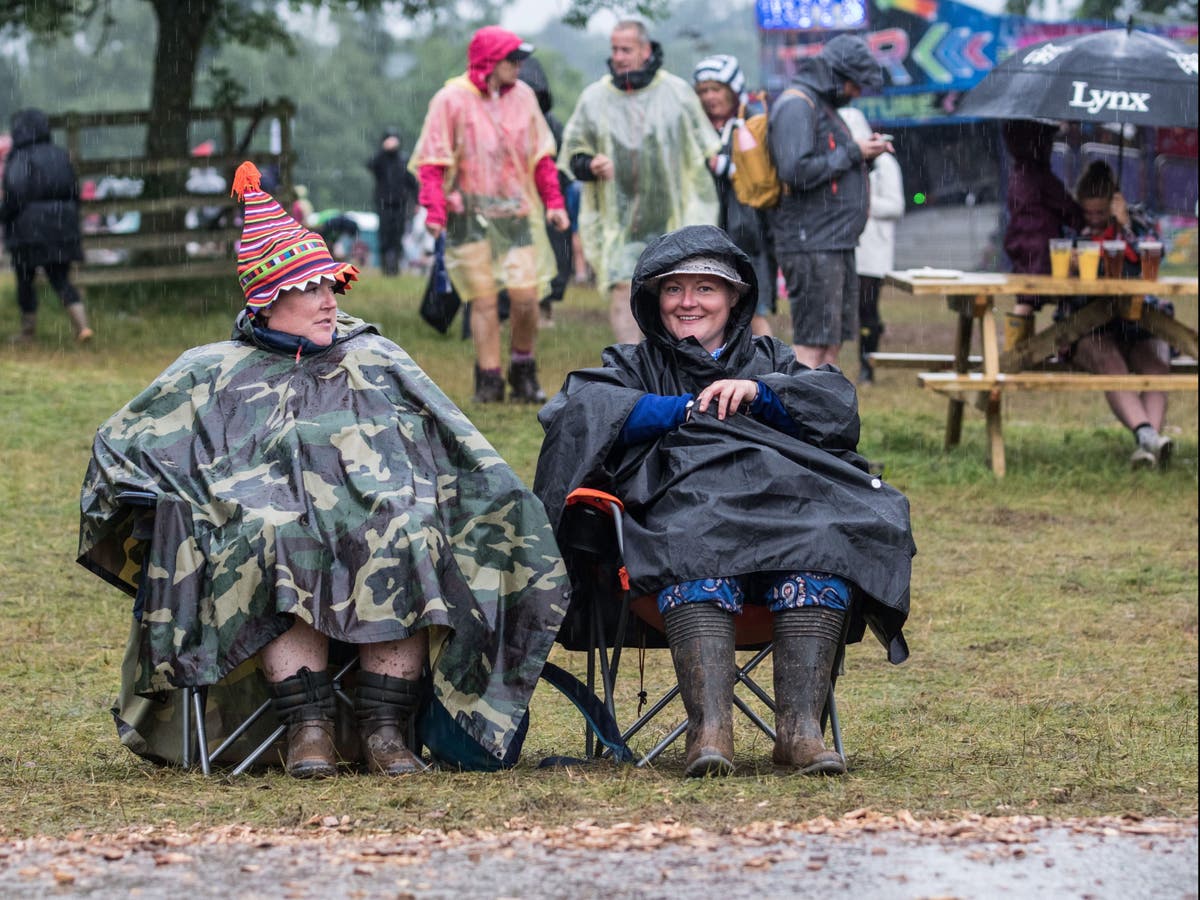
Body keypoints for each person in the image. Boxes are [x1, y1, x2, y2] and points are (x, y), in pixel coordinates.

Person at [78, 162, 568, 777]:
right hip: (256, 527)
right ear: (269, 299)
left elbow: (454, 443)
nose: (329, 300)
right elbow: (121, 446)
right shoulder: (208, 370)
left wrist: (481, 498)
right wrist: (178, 503)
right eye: (311, 290)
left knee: (405, 529)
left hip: (379, 511)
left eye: (331, 286)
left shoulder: (375, 357)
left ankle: (384, 730)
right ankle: (307, 726)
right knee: (280, 536)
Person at [534, 225, 914, 777]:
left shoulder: (772, 359)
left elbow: (836, 407)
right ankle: (709, 732)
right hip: (681, 534)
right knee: (692, 537)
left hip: (785, 532)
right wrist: (679, 409)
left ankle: (800, 734)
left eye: (706, 288)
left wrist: (763, 394)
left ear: (734, 297)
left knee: (827, 536)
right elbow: (577, 413)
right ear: (653, 298)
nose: (689, 302)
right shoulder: (632, 364)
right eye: (674, 289)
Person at [410, 26, 569, 403]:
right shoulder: (451, 100)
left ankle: (523, 367)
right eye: (512, 60)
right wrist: (435, 209)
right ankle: (489, 379)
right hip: (469, 212)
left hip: (513, 212)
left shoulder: (524, 98)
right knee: (481, 299)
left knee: (525, 295)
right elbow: (433, 160)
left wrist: (555, 202)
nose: (518, 66)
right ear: (490, 61)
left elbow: (541, 157)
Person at [560, 20, 720, 344]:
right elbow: (572, 155)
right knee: (623, 286)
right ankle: (632, 366)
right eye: (614, 49)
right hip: (619, 224)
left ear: (645, 51)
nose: (618, 57)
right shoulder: (594, 98)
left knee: (676, 289)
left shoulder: (676, 93)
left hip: (674, 217)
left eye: (626, 49)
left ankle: (678, 362)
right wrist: (590, 164)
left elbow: (708, 149)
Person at [766, 35, 889, 370]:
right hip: (811, 244)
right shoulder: (797, 104)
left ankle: (827, 416)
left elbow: (827, 171)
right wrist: (853, 151)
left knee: (832, 342)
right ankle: (801, 419)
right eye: (855, 84)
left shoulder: (821, 106)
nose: (857, 92)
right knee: (812, 344)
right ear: (837, 74)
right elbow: (795, 172)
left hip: (833, 242)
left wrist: (866, 157)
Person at [1064, 160, 1173, 468]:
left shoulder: (1135, 220)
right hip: (1090, 325)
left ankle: (1148, 447)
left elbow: (1153, 255)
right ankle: (1150, 437)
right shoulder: (1072, 227)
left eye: (1101, 213)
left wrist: (1124, 225)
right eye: (1089, 212)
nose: (1094, 220)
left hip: (1138, 320)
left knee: (1157, 363)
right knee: (1109, 362)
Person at [692, 54, 776, 338]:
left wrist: (727, 167)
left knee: (754, 311)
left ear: (732, 90)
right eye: (703, 91)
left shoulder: (751, 124)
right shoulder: (695, 128)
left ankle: (770, 372)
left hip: (746, 233)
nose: (710, 97)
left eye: (716, 89)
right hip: (704, 234)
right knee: (708, 312)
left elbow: (761, 174)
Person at [1, 107, 91, 344]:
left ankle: (27, 332)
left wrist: (5, 215)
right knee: (60, 277)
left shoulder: (20, 156)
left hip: (29, 229)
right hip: (63, 224)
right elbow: (74, 192)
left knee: (25, 278)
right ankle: (82, 327)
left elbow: (15, 193)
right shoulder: (60, 155)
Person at [1001, 119, 1084, 349]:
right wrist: (1083, 221)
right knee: (1035, 298)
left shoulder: (1018, 174)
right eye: (1047, 141)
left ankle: (1018, 348)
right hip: (1041, 252)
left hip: (1018, 245)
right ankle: (1015, 352)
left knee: (1026, 298)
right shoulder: (1039, 176)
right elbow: (1068, 208)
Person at [837, 107, 905, 385]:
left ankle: (868, 365)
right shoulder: (842, 163)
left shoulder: (883, 163)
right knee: (841, 310)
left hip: (872, 250)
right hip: (845, 246)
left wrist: (858, 203)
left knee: (867, 311)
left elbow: (896, 205)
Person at [367, 130, 419, 276]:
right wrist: (383, 150)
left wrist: (417, 202)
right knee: (384, 235)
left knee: (397, 236)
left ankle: (394, 268)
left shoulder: (404, 160)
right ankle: (385, 267)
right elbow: (370, 164)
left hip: (400, 205)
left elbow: (412, 183)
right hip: (383, 204)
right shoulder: (380, 160)